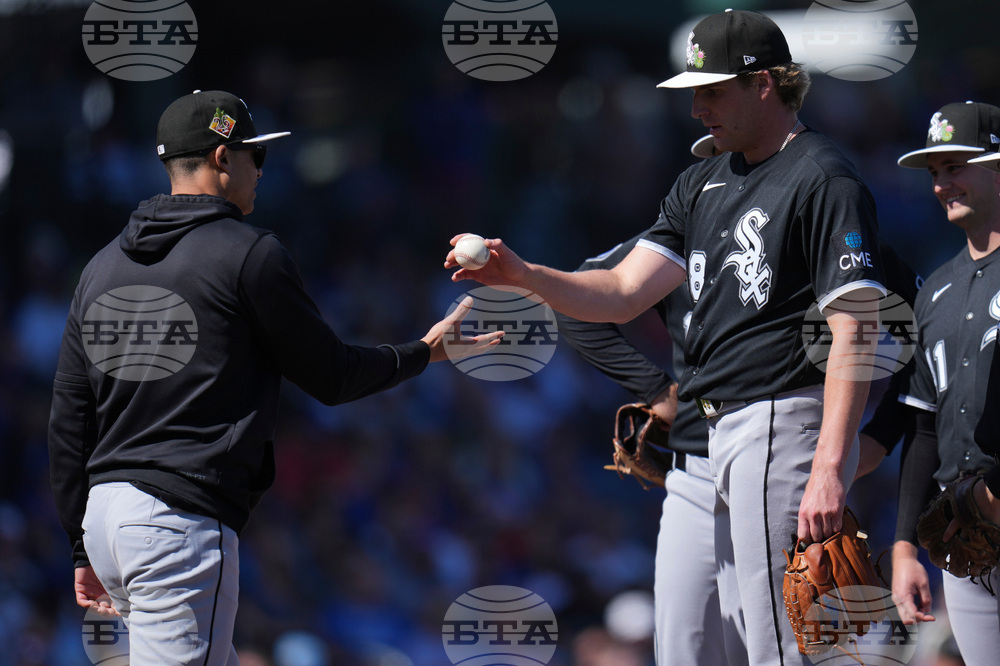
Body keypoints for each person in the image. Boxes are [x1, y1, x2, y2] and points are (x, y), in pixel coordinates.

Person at [446, 9, 886, 664]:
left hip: (776, 416)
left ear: (763, 83)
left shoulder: (823, 176)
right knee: (681, 644)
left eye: (711, 90)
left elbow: (856, 328)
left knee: (774, 643)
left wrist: (831, 461)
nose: (697, 108)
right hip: (698, 445)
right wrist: (527, 275)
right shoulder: (700, 181)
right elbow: (623, 291)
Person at [47, 89, 503, 665]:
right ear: (220, 159)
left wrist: (78, 544)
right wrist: (423, 352)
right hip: (175, 518)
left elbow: (69, 415)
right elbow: (332, 377)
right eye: (253, 154)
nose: (260, 169)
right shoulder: (248, 253)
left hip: (107, 517)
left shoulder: (100, 266)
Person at [892, 100, 1000, 665]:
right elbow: (923, 425)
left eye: (955, 165)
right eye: (934, 172)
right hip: (965, 533)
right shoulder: (934, 290)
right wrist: (906, 544)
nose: (940, 184)